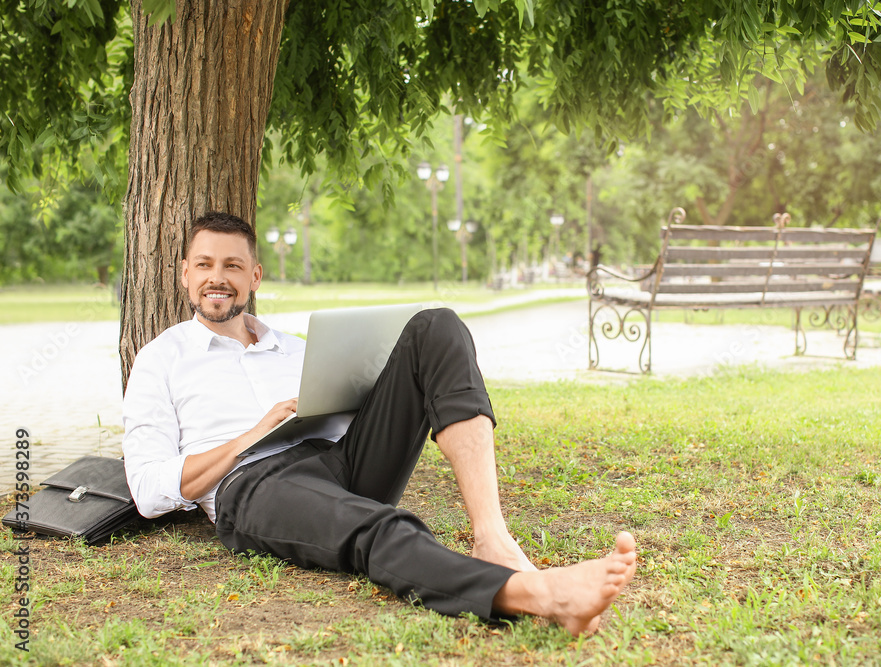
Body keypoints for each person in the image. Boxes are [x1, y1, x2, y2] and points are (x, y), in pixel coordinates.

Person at [122, 211, 636, 635]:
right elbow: (148, 490)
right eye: (205, 264)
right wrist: (254, 434)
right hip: (254, 486)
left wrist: (373, 390)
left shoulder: (295, 348)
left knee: (437, 326)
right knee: (380, 527)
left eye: (233, 265)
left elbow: (356, 412)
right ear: (184, 272)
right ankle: (539, 596)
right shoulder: (160, 359)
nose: (218, 277)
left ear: (254, 277)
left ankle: (492, 534)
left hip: (339, 458)